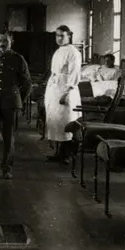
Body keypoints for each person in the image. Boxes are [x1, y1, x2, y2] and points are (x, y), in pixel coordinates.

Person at [0, 31, 32, 179]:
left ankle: (6, 168)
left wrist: (18, 100)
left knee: (8, 136)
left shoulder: (18, 59)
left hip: (10, 103)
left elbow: (27, 83)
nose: (2, 43)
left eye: (5, 40)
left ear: (11, 41)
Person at [45, 25, 82, 162]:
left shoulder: (73, 52)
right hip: (55, 88)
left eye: (62, 35)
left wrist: (66, 93)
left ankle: (66, 155)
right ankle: (59, 152)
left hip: (66, 89)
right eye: (57, 35)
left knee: (65, 120)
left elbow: (74, 74)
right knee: (57, 121)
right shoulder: (59, 51)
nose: (59, 38)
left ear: (69, 35)